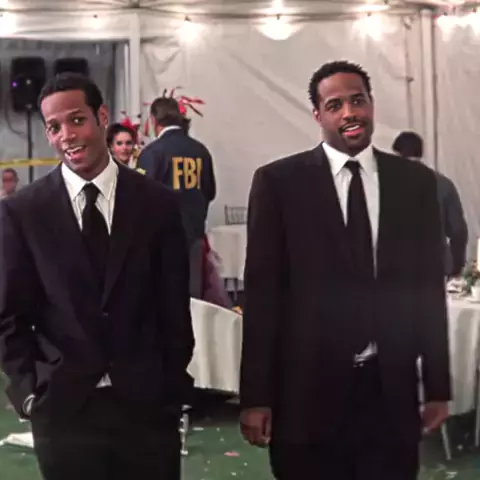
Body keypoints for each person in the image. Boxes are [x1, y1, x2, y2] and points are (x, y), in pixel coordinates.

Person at [240, 61, 450, 480]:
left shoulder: (415, 183)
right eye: (335, 105)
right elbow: (263, 296)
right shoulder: (279, 183)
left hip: (389, 391)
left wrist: (438, 386)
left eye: (358, 100)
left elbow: (428, 289)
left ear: (372, 104)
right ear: (318, 115)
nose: (349, 113)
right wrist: (256, 396)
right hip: (306, 394)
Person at [0, 73, 194, 480]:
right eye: (54, 127)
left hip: (147, 408)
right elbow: (10, 314)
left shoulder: (157, 204)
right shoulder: (23, 212)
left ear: (102, 117)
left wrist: (169, 383)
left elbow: (174, 305)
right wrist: (29, 392)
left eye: (76, 120)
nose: (67, 136)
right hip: (63, 410)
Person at [137, 96, 216, 299]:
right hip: (193, 234)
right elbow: (210, 192)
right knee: (193, 299)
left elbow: (139, 198)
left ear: (154, 121)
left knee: (162, 297)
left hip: (160, 239)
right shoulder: (201, 151)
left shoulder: (152, 153)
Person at [393, 130, 468, 277]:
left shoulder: (387, 184)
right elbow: (458, 231)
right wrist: (456, 266)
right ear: (421, 153)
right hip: (435, 267)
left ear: (397, 154)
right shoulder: (444, 184)